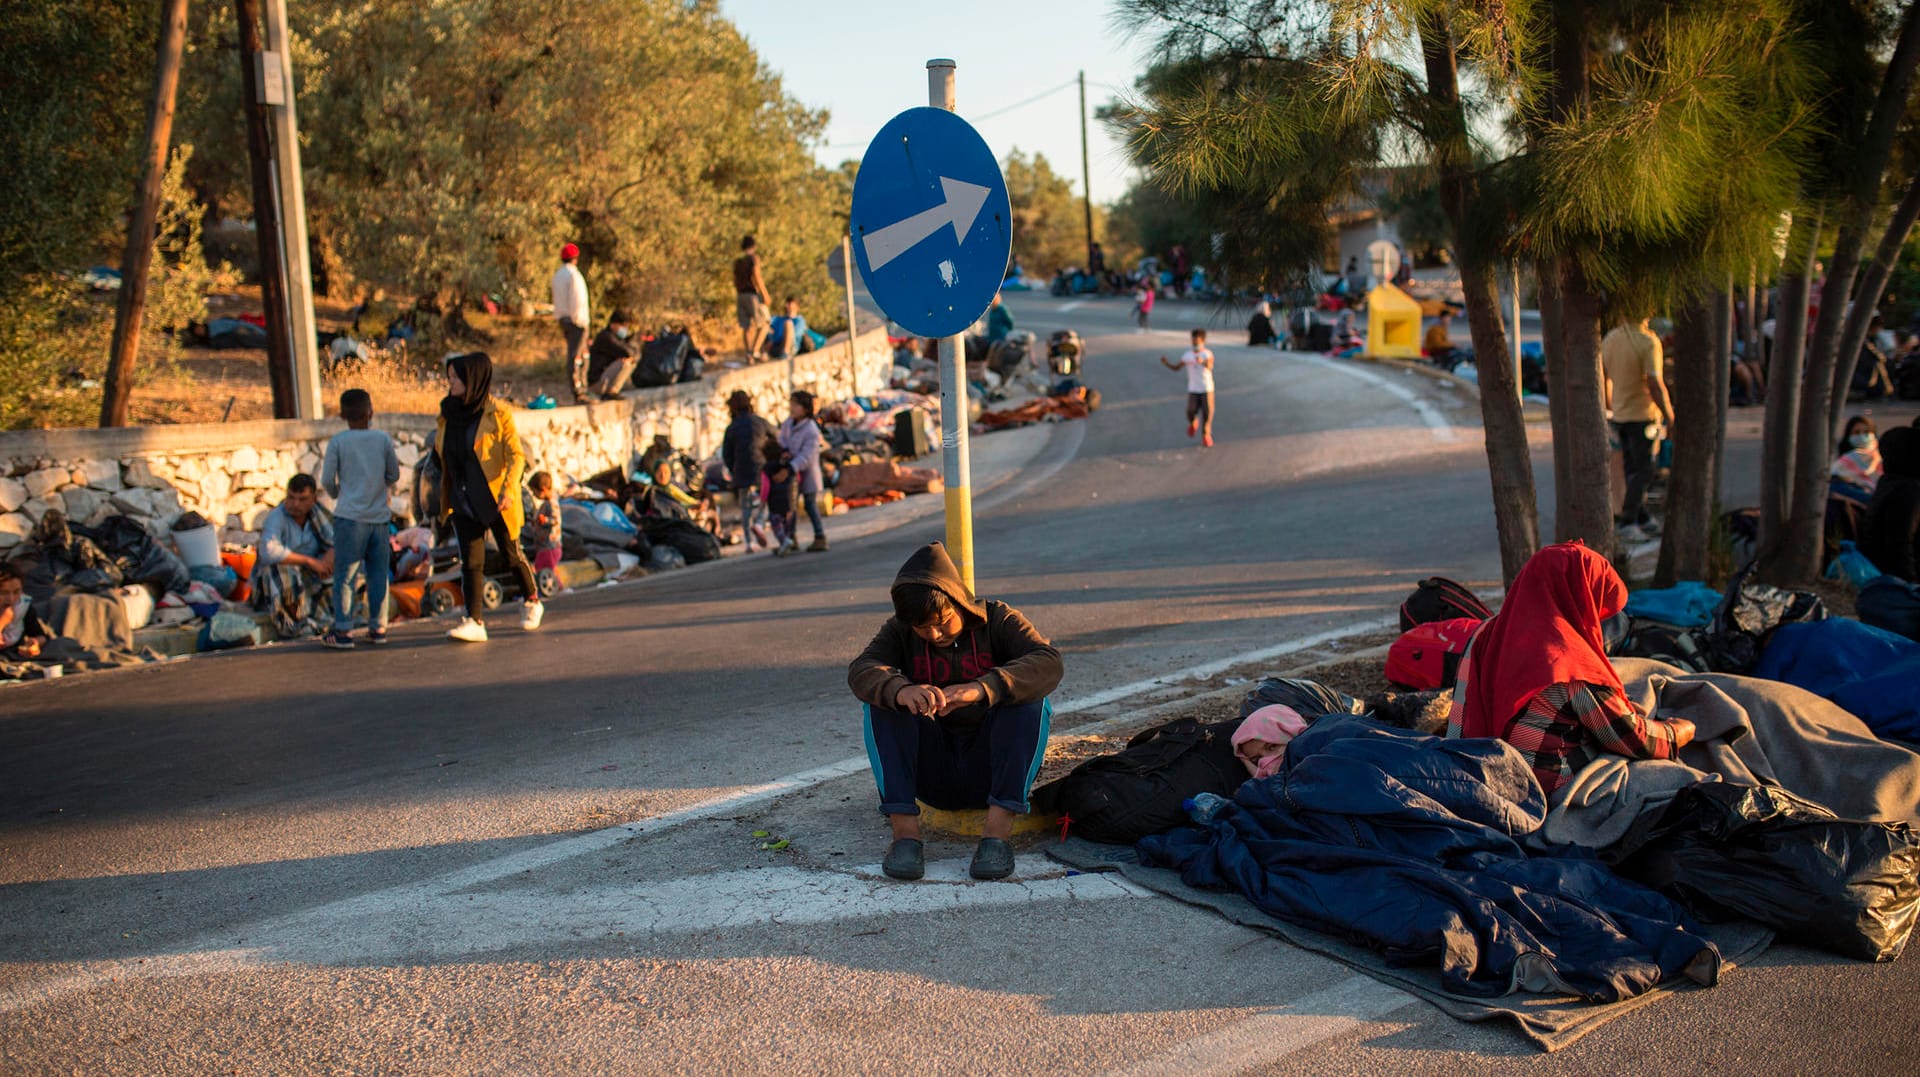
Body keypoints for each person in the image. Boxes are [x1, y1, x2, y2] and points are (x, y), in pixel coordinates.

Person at [848, 542, 1064, 881]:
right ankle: (905, 837)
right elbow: (863, 670)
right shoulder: (899, 631)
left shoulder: (997, 619)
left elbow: (1048, 662)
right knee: (881, 702)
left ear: (958, 601)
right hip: (934, 774)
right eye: (922, 628)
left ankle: (996, 837)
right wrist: (903, 690)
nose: (933, 634)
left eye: (942, 621)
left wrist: (982, 689)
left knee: (1030, 699)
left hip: (993, 770)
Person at [1446, 541, 1696, 797]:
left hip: (1480, 774)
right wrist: (1678, 731)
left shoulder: (1485, 633)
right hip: (1543, 790)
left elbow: (1460, 717)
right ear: (1580, 598)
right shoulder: (1569, 663)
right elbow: (1636, 741)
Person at [433, 352, 544, 643]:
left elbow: (516, 456)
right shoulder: (447, 413)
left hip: (495, 497)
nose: (451, 382)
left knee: (510, 554)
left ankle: (532, 599)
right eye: (450, 377)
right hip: (462, 497)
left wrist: (509, 489)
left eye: (456, 377)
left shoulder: (498, 414)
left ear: (474, 379)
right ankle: (474, 620)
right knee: (471, 561)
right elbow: (440, 454)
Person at [318, 388, 400, 650]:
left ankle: (343, 630)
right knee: (378, 574)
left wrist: (340, 494)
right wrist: (379, 487)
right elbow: (394, 474)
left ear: (342, 415)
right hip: (378, 519)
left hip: (349, 517)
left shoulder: (338, 442)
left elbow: (327, 480)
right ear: (370, 412)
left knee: (346, 575)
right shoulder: (382, 439)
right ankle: (378, 626)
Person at [1601, 315, 1673, 541]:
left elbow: (1604, 377)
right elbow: (1654, 383)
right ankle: (1629, 519)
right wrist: (1670, 414)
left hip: (1620, 414)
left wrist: (1610, 405)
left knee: (1631, 468)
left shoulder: (1611, 339)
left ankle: (1641, 516)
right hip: (1643, 415)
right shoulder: (1648, 342)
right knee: (1645, 469)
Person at [251, 473, 335, 638]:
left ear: (313, 499)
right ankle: (297, 624)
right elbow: (269, 551)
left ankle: (337, 618)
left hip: (312, 576)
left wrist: (327, 560)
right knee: (278, 571)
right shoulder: (277, 517)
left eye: (302, 499)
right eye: (291, 497)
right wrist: (309, 561)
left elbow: (336, 540)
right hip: (282, 582)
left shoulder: (319, 514)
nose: (295, 504)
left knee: (347, 565)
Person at [1862, 426, 1920, 583]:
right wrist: (1912, 586)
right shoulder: (1909, 489)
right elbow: (1901, 545)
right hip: (1899, 584)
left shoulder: (1889, 482)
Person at [721, 391, 775, 552]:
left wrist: (733, 469)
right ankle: (759, 523)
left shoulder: (731, 428)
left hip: (741, 472)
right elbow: (777, 437)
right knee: (766, 498)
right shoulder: (759, 422)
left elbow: (726, 454)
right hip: (761, 468)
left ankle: (749, 542)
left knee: (745, 507)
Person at [779, 389, 829, 554]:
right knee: (790, 507)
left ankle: (820, 536)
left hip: (806, 474)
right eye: (791, 404)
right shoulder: (788, 424)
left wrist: (791, 467)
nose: (792, 408)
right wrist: (783, 453)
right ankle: (791, 538)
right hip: (791, 473)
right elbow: (782, 441)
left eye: (796, 405)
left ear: (806, 408)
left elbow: (807, 456)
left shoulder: (811, 429)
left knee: (810, 505)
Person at [1159, 328, 1216, 448]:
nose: (1195, 344)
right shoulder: (1187, 355)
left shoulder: (1207, 354)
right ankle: (1193, 422)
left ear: (1202, 341)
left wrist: (1202, 362)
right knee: (1190, 411)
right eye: (1193, 341)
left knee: (1207, 412)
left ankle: (1206, 435)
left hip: (1207, 388)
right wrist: (1166, 363)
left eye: (1197, 341)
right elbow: (1176, 368)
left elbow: (1210, 365)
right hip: (1193, 388)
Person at [551, 242, 591, 404]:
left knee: (579, 354)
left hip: (563, 319)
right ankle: (579, 391)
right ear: (575, 258)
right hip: (576, 321)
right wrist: (580, 321)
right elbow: (577, 300)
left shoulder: (558, 275)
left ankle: (581, 389)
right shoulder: (574, 276)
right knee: (577, 357)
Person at [584, 310, 640, 400]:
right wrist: (629, 357)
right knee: (624, 363)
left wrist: (632, 357)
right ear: (613, 324)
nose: (625, 329)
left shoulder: (618, 338)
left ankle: (612, 391)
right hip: (597, 382)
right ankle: (610, 392)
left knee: (630, 361)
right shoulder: (606, 337)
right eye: (623, 326)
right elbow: (626, 352)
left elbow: (636, 354)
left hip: (604, 378)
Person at [733, 235, 772, 361]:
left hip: (740, 295)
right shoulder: (753, 259)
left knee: (746, 326)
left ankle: (748, 353)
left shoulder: (738, 263)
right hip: (751, 295)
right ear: (754, 246)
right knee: (764, 323)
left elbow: (735, 280)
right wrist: (765, 294)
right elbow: (757, 275)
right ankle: (755, 351)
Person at [0, 563, 49, 662]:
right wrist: (3, 621)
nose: (11, 599)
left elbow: (39, 635)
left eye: (16, 592)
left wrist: (35, 644)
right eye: (4, 593)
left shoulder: (22, 606)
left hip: (14, 655)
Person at [524, 471, 564, 575]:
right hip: (544, 546)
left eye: (534, 492)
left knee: (542, 570)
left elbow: (556, 520)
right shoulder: (545, 504)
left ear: (543, 489)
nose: (534, 495)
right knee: (549, 570)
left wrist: (545, 520)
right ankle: (559, 587)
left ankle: (556, 588)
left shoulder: (551, 503)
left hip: (550, 546)